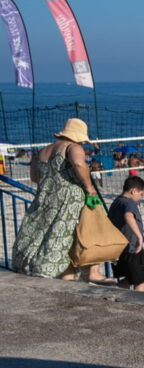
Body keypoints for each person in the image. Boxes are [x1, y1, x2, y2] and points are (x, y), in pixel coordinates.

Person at [12, 118, 107, 282]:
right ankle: (62, 272)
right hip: (68, 200)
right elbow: (78, 164)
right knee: (71, 235)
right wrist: (89, 187)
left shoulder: (42, 151)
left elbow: (35, 177)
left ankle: (64, 274)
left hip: (46, 198)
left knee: (45, 233)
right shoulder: (73, 147)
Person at [107, 176, 144, 291]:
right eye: (140, 194)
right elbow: (128, 216)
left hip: (118, 248)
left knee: (128, 279)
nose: (140, 197)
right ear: (133, 191)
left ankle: (113, 295)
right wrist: (139, 237)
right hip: (131, 248)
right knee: (139, 282)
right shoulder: (129, 203)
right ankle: (139, 307)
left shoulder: (117, 201)